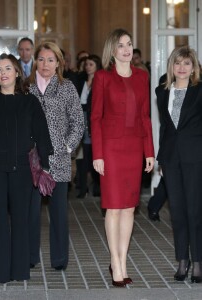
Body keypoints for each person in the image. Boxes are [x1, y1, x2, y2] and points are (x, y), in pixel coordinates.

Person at [0, 53, 53, 283]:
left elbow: (41, 135)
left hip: (23, 169)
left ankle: (19, 270)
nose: (3, 73)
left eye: (8, 68)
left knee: (21, 219)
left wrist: (44, 167)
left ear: (17, 72)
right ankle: (0, 273)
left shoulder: (30, 101)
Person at [91, 28, 154, 287]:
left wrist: (149, 151)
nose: (127, 49)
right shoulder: (102, 77)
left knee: (129, 207)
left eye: (129, 44)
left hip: (133, 147)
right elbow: (95, 117)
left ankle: (122, 261)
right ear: (112, 51)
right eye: (121, 45)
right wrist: (98, 154)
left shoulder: (142, 77)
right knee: (113, 208)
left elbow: (145, 117)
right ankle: (115, 263)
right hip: (111, 150)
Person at [27, 42, 84, 271]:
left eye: (51, 60)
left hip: (58, 159)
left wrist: (67, 148)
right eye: (41, 59)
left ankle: (59, 260)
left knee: (58, 212)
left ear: (58, 63)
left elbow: (78, 122)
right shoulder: (26, 87)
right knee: (30, 210)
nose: (45, 64)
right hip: (31, 161)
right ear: (35, 61)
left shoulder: (66, 87)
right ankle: (29, 256)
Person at [156, 45, 202, 283]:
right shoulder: (163, 91)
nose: (182, 68)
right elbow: (165, 128)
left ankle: (198, 263)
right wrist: (161, 158)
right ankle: (182, 260)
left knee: (196, 211)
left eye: (186, 63)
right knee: (177, 212)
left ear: (193, 67)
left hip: (196, 158)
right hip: (171, 159)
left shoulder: (200, 91)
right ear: (171, 66)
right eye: (177, 63)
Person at [75, 54, 102, 198]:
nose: (87, 67)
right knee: (84, 156)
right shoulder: (81, 80)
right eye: (86, 64)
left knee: (95, 154)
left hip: (94, 120)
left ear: (97, 66)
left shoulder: (101, 80)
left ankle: (97, 187)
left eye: (91, 64)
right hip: (81, 118)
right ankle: (83, 187)